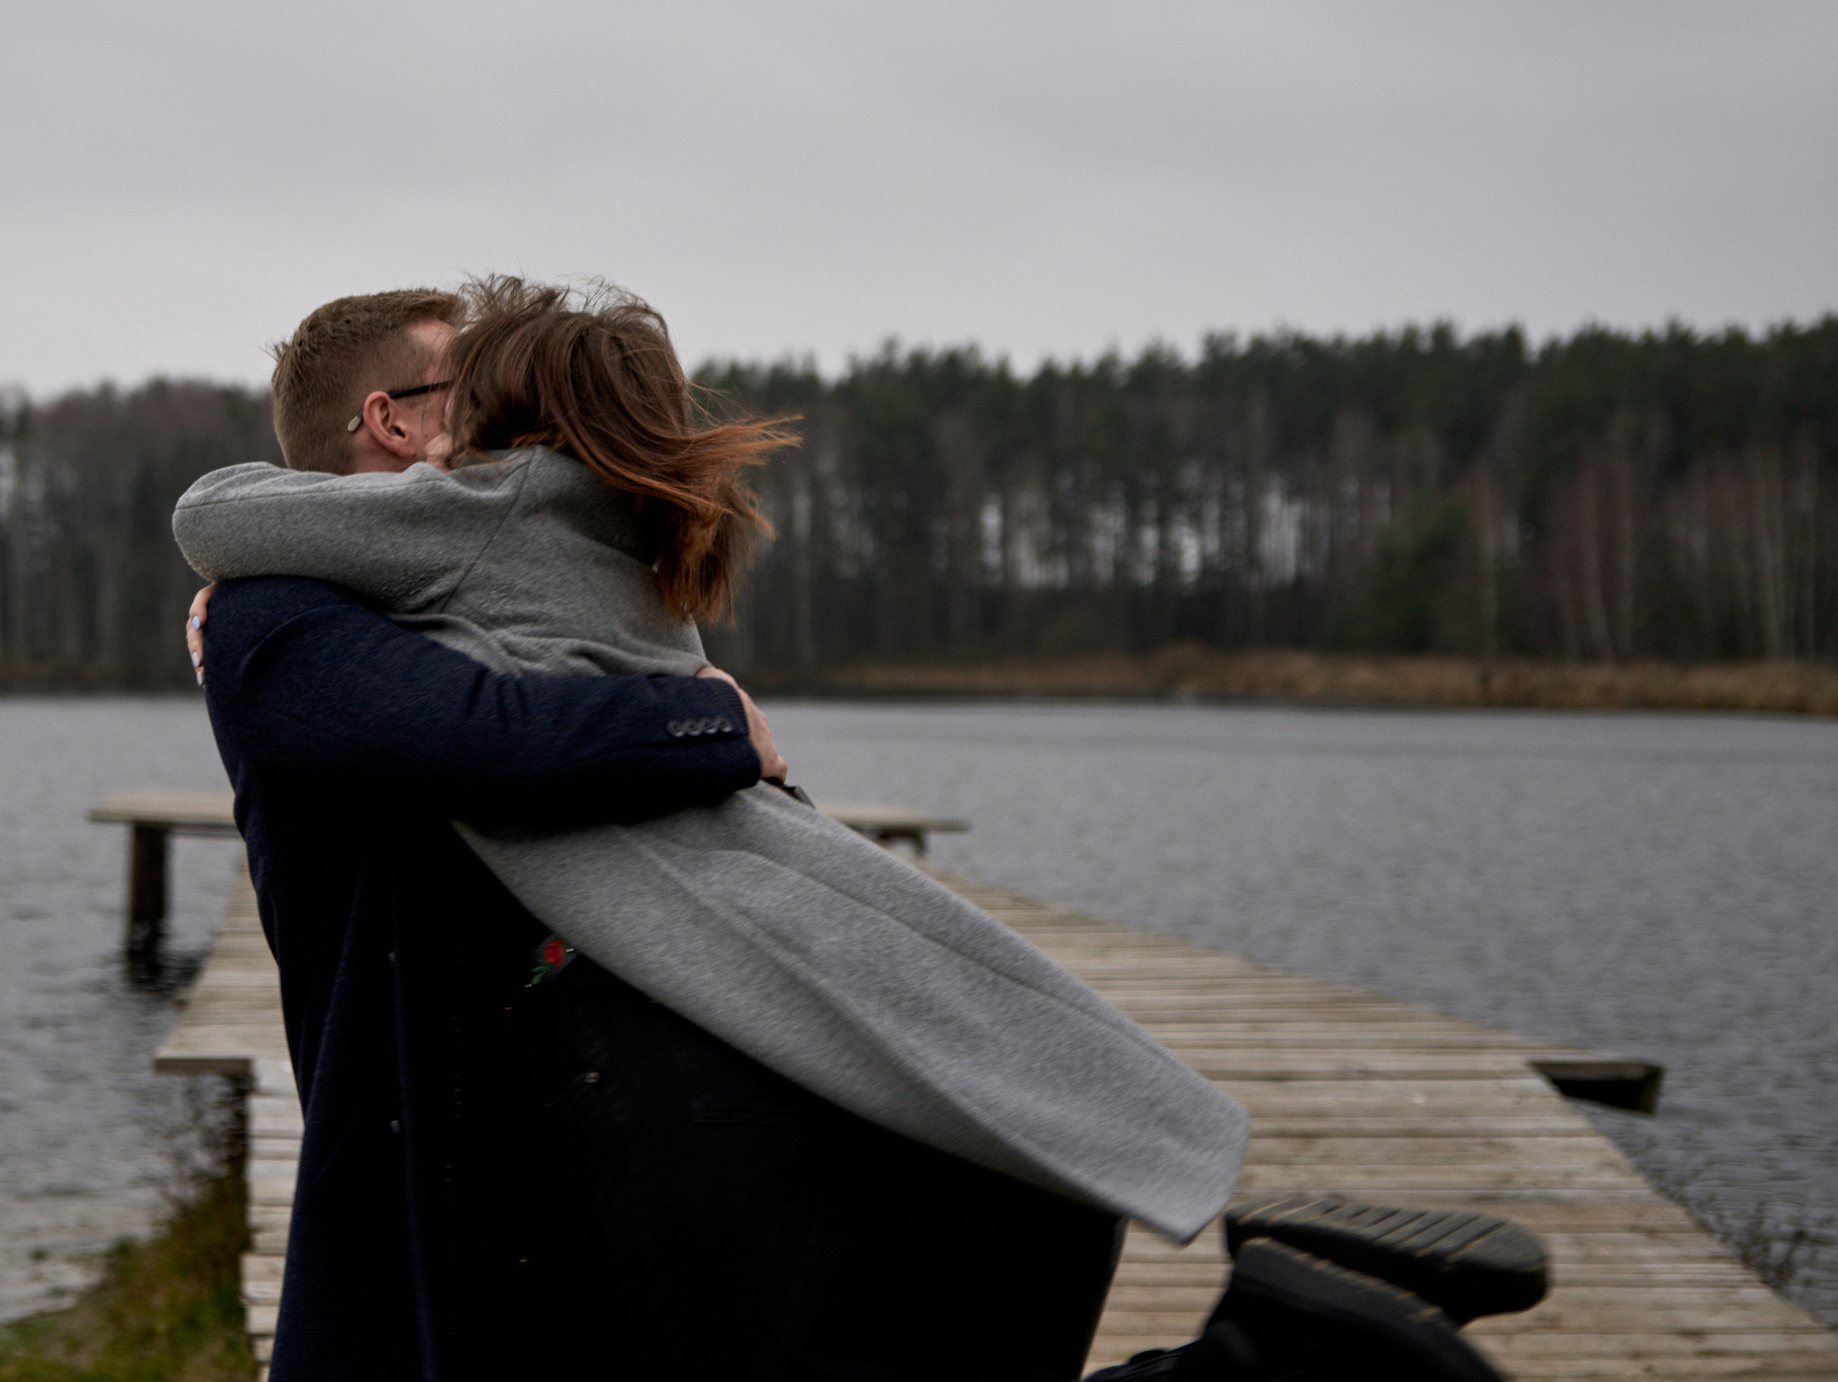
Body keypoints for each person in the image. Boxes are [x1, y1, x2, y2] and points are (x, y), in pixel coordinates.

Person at [185, 284, 1532, 1382]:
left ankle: (1293, 1349)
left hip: (605, 1140)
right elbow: (486, 735)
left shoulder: (510, 591)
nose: (478, 438)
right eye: (453, 399)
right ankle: (1298, 1348)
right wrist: (703, 717)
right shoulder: (280, 618)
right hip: (472, 1163)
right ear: (390, 421)